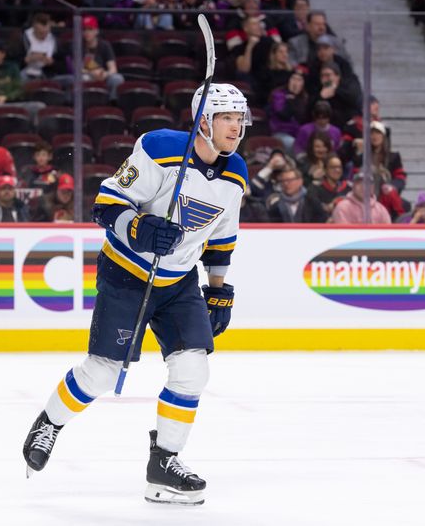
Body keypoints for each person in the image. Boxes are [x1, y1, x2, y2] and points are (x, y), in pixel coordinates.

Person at [22, 83, 252, 506]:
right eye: (226, 118)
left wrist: (218, 291)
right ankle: (49, 423)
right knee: (103, 372)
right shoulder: (159, 149)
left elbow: (222, 239)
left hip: (179, 282)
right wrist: (140, 228)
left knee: (193, 370)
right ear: (204, 121)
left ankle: (163, 465)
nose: (236, 128)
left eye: (240, 119)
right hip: (127, 273)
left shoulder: (235, 171)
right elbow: (106, 204)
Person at [268, 67, 309, 153]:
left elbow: (302, 118)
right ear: (288, 80)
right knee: (294, 145)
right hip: (280, 133)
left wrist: (295, 99)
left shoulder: (303, 99)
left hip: (297, 135)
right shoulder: (278, 95)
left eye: (299, 80)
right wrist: (290, 100)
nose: (295, 83)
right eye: (293, 79)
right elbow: (283, 114)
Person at [312, 61, 362, 130]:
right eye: (322, 76)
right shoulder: (317, 90)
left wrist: (335, 90)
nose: (325, 79)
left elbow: (353, 99)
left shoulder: (347, 87)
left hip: (347, 126)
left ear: (337, 76)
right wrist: (321, 97)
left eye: (328, 75)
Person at [22, 13, 58, 80]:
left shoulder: (52, 39)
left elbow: (59, 62)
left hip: (47, 73)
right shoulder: (24, 38)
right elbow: (16, 61)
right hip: (26, 71)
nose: (44, 35)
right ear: (34, 28)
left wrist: (51, 62)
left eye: (46, 32)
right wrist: (28, 59)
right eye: (41, 33)